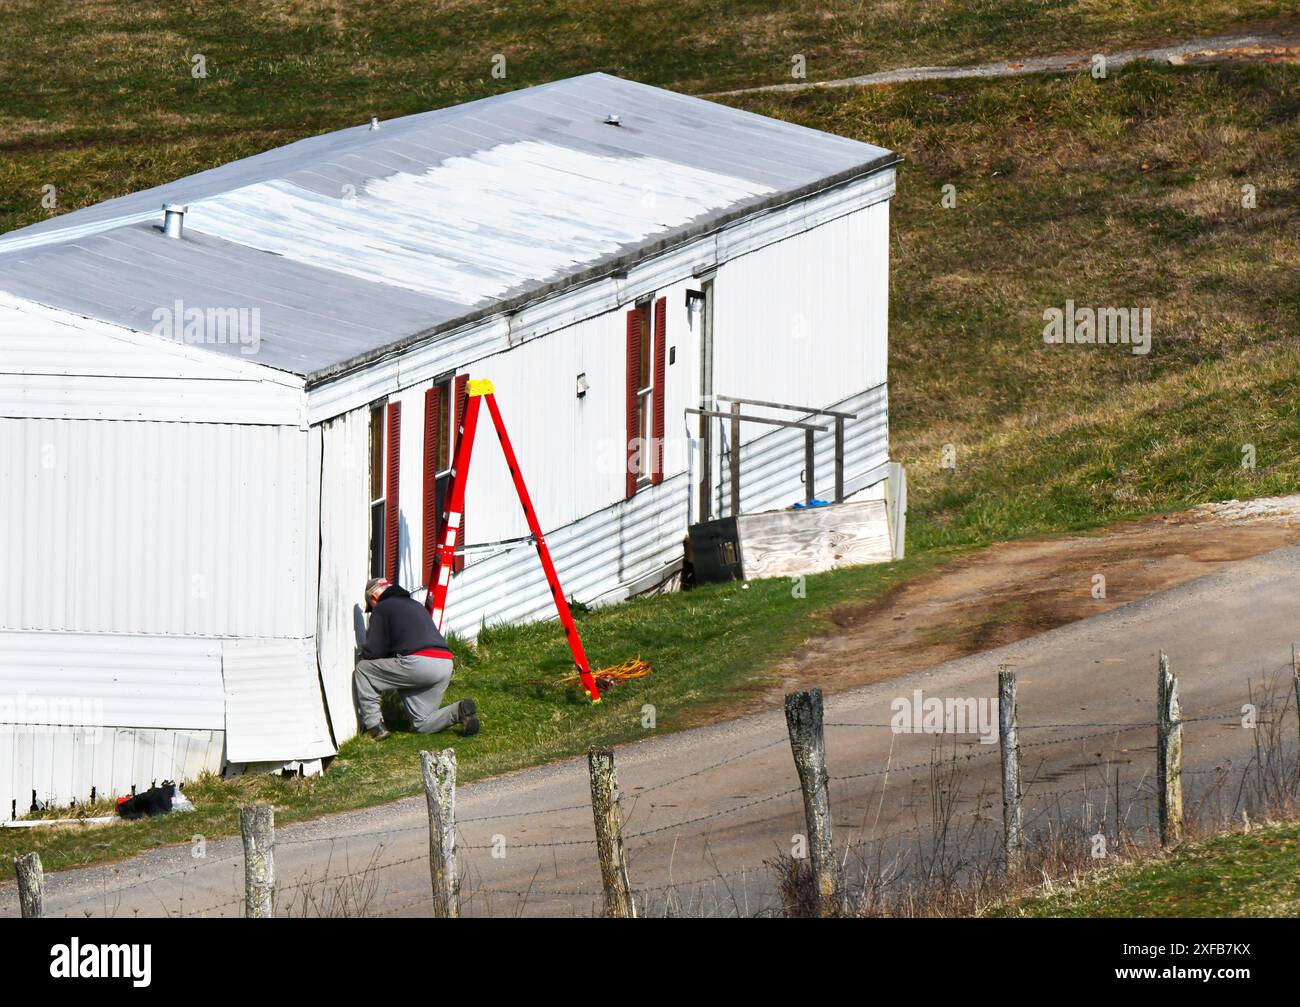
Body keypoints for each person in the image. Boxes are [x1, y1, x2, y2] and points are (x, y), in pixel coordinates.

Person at [353, 577, 479, 741]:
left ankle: (375, 727)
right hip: (445, 663)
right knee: (421, 723)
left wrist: (363, 653)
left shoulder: (383, 607)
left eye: (371, 607)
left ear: (374, 598)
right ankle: (460, 711)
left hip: (418, 664)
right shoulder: (416, 605)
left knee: (363, 670)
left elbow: (374, 652)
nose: (373, 611)